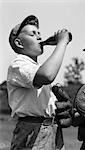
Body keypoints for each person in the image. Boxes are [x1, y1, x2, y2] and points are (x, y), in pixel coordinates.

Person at [7, 15, 72, 150]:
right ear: (19, 43)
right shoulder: (18, 64)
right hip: (32, 129)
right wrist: (61, 43)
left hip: (52, 130)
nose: (39, 37)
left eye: (39, 33)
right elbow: (47, 75)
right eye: (32, 34)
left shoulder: (38, 67)